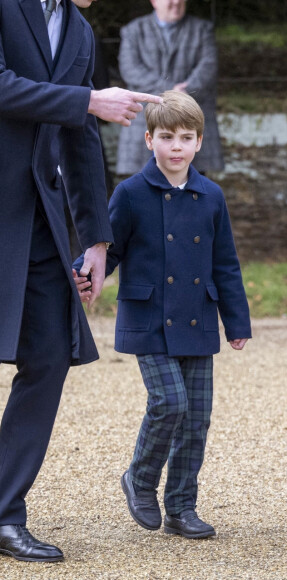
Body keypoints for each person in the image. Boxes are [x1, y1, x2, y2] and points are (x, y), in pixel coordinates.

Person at [0, 0, 162, 564]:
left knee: (47, 357)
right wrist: (89, 100)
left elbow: (81, 140)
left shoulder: (82, 31)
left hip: (40, 222)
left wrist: (97, 241)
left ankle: (3, 513)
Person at [74, 90, 251, 540]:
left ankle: (181, 507)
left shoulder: (211, 195)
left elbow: (225, 262)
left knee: (197, 417)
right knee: (170, 402)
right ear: (149, 140)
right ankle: (139, 478)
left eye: (186, 137)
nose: (177, 146)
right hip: (147, 318)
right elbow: (107, 250)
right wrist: (87, 273)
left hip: (197, 318)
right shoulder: (131, 193)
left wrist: (237, 321)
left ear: (199, 142)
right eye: (167, 137)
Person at [116, 0, 224, 177]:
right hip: (144, 124)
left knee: (192, 195)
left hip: (190, 122)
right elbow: (130, 70)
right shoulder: (133, 30)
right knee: (144, 197)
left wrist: (188, 89)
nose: (176, 2)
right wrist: (172, 90)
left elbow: (208, 67)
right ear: (154, 2)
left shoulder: (202, 29)